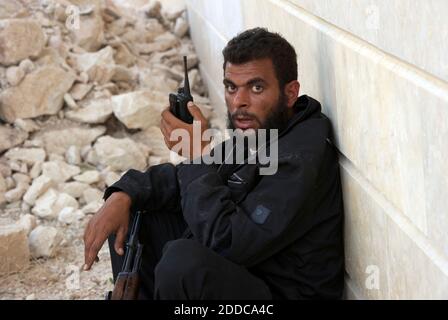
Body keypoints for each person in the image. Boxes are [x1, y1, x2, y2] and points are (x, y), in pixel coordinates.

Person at [83, 27, 345, 300]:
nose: (239, 102)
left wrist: (197, 156)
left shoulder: (299, 159)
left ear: (290, 93)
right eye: (231, 88)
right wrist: (124, 193)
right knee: (139, 211)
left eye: (256, 87)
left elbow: (227, 243)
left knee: (184, 265)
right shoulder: (262, 131)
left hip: (279, 294)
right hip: (251, 272)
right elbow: (188, 178)